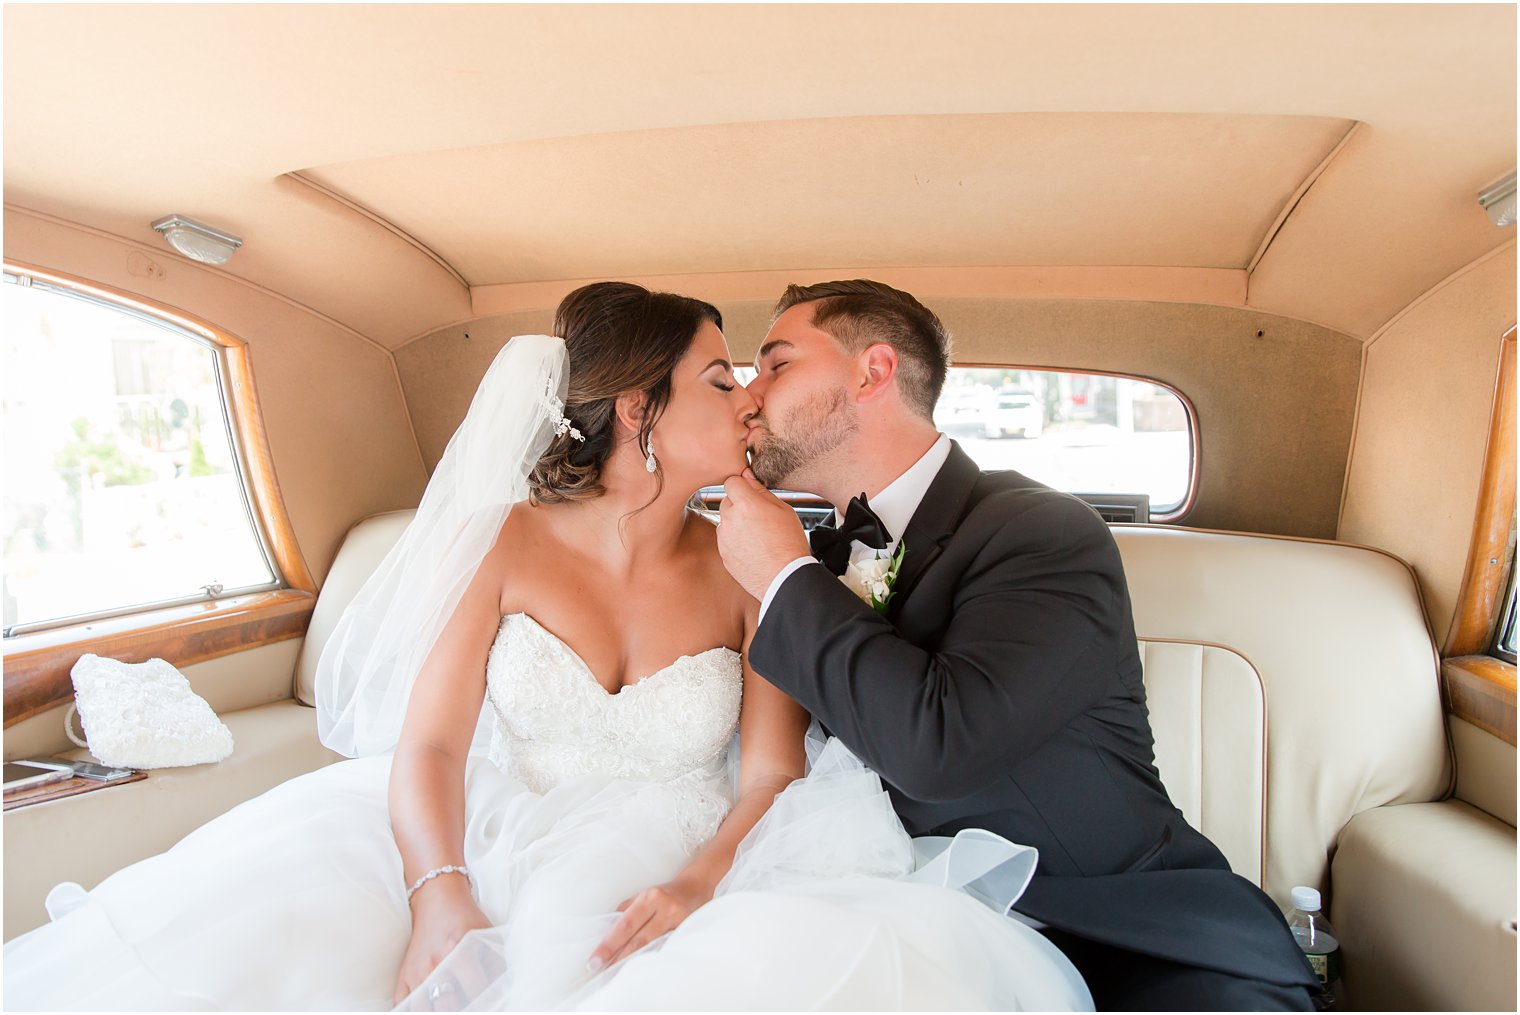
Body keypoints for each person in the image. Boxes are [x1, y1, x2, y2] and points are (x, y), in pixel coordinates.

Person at [4, 281, 1091, 1011]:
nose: (748, 401)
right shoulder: (505, 542)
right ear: (638, 412)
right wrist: (439, 888)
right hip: (485, 827)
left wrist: (699, 883)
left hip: (682, 847)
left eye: (753, 374)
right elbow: (428, 750)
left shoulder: (751, 562)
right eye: (723, 379)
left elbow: (767, 770)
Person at [716, 279, 1324, 1011]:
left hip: (1129, 942)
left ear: (872, 371)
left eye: (776, 365)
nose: (749, 397)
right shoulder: (819, 559)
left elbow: (939, 745)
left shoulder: (1043, 532)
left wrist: (785, 576)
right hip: (912, 942)